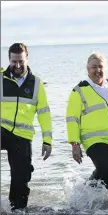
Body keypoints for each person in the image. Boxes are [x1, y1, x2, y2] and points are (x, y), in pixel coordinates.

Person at [0, 43, 53, 211]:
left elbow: (44, 113)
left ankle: (17, 210)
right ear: (9, 59)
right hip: (2, 130)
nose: (17, 66)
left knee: (21, 177)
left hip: (23, 136)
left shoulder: (37, 84)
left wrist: (47, 141)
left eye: (21, 61)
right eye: (14, 61)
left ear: (27, 59)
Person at [67, 52, 108, 200]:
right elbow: (72, 118)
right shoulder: (79, 90)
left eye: (100, 66)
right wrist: (75, 144)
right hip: (94, 141)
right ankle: (84, 192)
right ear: (87, 69)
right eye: (94, 67)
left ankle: (106, 207)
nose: (97, 70)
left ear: (106, 68)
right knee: (107, 167)